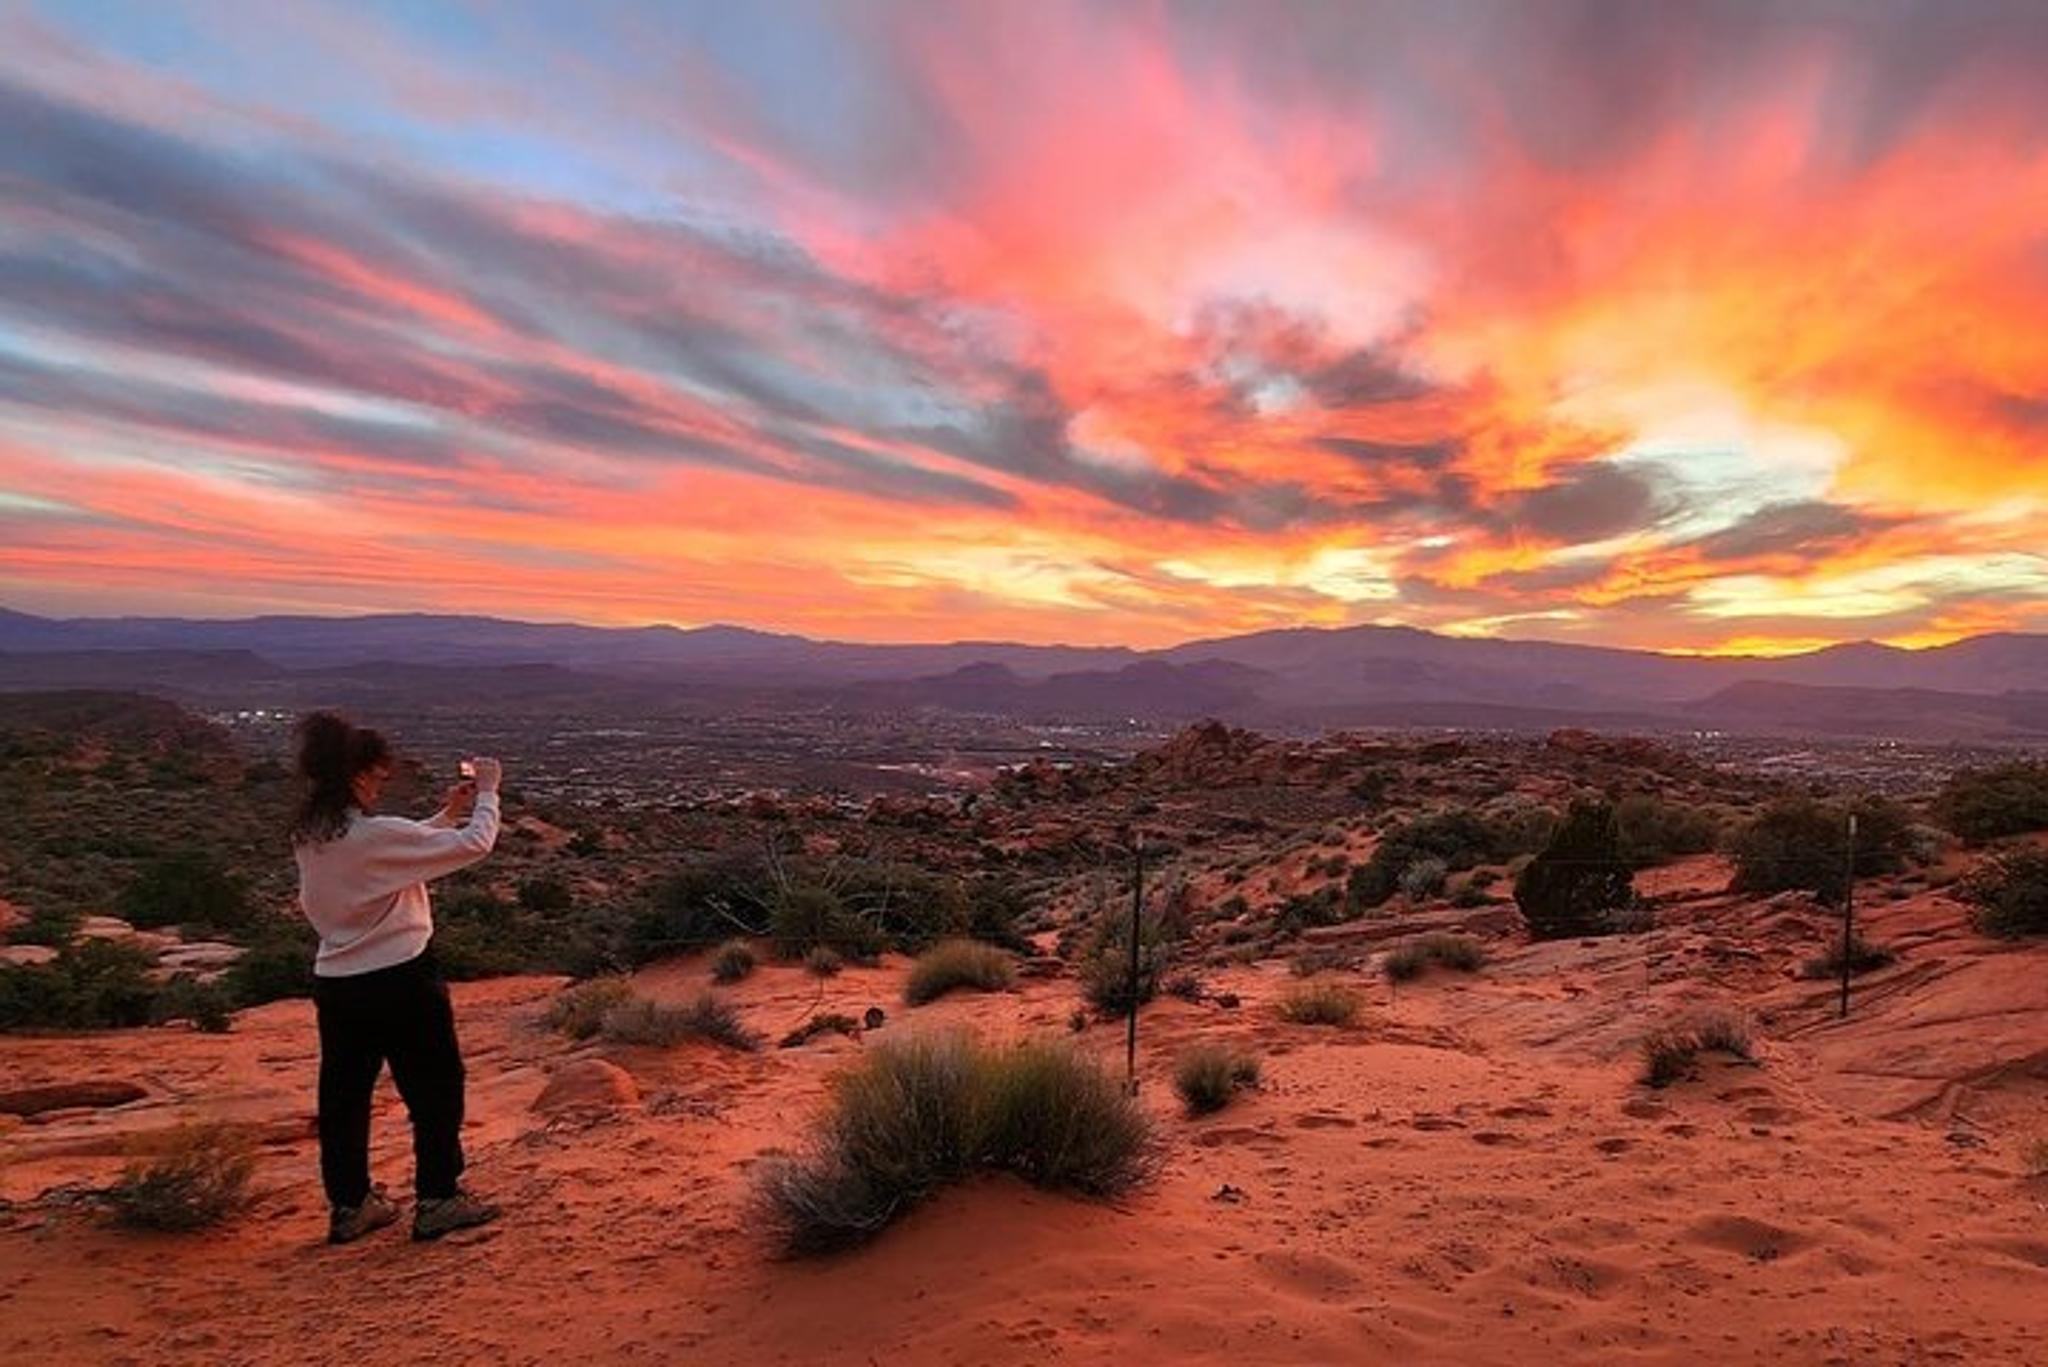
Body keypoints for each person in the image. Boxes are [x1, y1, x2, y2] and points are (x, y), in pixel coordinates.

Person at [290, 710, 504, 1245]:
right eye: (378, 778)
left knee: (345, 1096)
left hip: (338, 982)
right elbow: (474, 846)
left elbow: (393, 848)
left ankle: (351, 1205)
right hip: (401, 978)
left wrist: (443, 814)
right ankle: (438, 1198)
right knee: (434, 1088)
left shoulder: (314, 834)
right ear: (357, 775)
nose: (380, 787)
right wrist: (488, 795)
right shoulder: (370, 836)